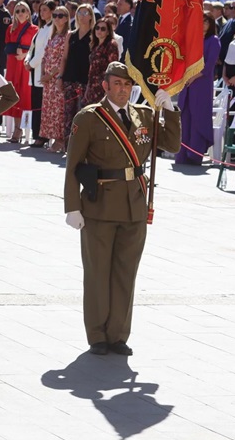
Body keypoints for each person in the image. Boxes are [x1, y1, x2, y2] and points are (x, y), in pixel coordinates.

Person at [64, 62, 181, 356]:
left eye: (127, 85)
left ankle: (118, 334)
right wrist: (72, 207)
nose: (122, 90)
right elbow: (73, 165)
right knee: (97, 273)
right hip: (99, 205)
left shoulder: (143, 115)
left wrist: (169, 110)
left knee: (126, 273)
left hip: (134, 206)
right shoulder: (89, 117)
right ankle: (97, 335)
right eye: (117, 84)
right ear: (105, 85)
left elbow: (172, 144)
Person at [176, 13, 221, 165]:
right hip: (187, 85)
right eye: (200, 21)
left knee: (198, 119)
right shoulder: (192, 40)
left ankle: (194, 155)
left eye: (205, 22)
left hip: (201, 84)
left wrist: (194, 77)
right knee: (186, 117)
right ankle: (182, 154)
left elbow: (209, 65)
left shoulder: (213, 41)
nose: (202, 25)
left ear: (211, 24)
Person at [4, 0, 38, 142]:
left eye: (23, 10)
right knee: (14, 93)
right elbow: (7, 45)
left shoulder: (34, 29)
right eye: (17, 11)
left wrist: (24, 55)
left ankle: (22, 130)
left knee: (25, 95)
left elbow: (36, 49)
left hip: (24, 65)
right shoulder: (11, 28)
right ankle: (16, 129)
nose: (20, 13)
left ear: (28, 13)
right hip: (12, 64)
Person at [26, 0, 56, 148]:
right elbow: (32, 48)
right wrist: (27, 60)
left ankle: (41, 135)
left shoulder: (51, 28)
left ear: (52, 11)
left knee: (40, 104)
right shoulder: (41, 28)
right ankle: (35, 133)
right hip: (34, 70)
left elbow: (44, 50)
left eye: (45, 9)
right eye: (41, 10)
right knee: (35, 103)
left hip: (41, 70)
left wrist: (31, 64)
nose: (42, 12)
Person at [41, 6, 71, 151]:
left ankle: (60, 140)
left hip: (57, 77)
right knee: (49, 109)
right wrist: (42, 73)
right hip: (47, 80)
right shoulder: (52, 36)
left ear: (66, 18)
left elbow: (63, 60)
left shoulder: (67, 36)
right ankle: (52, 138)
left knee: (58, 109)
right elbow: (45, 55)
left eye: (60, 15)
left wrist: (50, 75)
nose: (57, 18)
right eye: (55, 15)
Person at [63, 3, 95, 129]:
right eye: (79, 13)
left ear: (91, 16)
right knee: (68, 113)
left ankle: (81, 145)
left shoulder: (94, 35)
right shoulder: (71, 35)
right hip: (69, 78)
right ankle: (67, 145)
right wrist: (60, 77)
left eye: (85, 13)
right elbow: (64, 58)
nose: (82, 16)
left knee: (83, 113)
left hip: (85, 79)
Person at [83, 17, 119, 106]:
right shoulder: (95, 45)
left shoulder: (111, 44)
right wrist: (88, 87)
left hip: (103, 85)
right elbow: (91, 69)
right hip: (92, 85)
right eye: (97, 28)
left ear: (108, 32)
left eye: (103, 29)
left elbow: (113, 68)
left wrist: (108, 88)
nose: (99, 30)